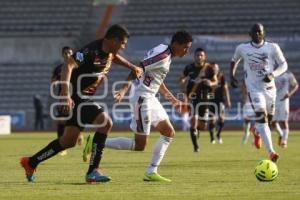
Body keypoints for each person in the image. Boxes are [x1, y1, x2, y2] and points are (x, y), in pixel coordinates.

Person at [20, 24, 143, 183]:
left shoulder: (109, 52)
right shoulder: (91, 51)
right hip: (75, 96)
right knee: (105, 122)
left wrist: (132, 66)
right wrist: (65, 93)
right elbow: (68, 64)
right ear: (113, 40)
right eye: (122, 43)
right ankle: (93, 171)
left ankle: (30, 162)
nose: (123, 47)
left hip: (83, 97)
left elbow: (114, 57)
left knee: (68, 141)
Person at [91, 30, 193, 182]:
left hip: (150, 97)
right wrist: (124, 89)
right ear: (176, 44)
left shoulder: (164, 51)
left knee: (168, 132)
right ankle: (98, 142)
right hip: (141, 98)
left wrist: (173, 100)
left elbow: (156, 80)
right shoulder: (163, 56)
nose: (187, 51)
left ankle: (151, 171)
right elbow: (138, 69)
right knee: (140, 145)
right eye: (185, 47)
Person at [230, 23, 288, 162]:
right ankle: (271, 152)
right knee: (261, 118)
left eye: (260, 32)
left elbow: (284, 65)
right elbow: (234, 60)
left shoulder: (273, 47)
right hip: (254, 89)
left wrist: (273, 75)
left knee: (268, 120)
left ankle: (256, 131)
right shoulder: (242, 48)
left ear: (264, 33)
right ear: (250, 34)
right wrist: (231, 76)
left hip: (270, 90)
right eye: (254, 32)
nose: (257, 34)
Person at [179, 48, 217, 152]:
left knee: (203, 126)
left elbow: (215, 82)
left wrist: (210, 83)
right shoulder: (189, 67)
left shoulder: (209, 68)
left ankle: (197, 132)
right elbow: (181, 78)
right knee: (193, 121)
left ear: (204, 57)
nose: (199, 57)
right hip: (193, 99)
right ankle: (196, 147)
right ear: (194, 56)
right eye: (197, 55)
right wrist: (183, 83)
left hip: (205, 100)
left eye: (201, 55)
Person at [51, 46, 84, 156]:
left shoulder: (76, 66)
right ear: (62, 55)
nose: (67, 55)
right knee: (60, 120)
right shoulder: (59, 68)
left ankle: (79, 134)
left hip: (75, 96)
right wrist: (55, 83)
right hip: (63, 97)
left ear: (72, 54)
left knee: (75, 120)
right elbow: (53, 80)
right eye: (65, 53)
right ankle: (62, 147)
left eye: (69, 53)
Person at [271, 70, 298, 148]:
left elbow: (295, 85)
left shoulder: (288, 74)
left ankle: (284, 141)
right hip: (273, 100)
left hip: (283, 100)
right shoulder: (272, 73)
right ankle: (281, 135)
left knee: (283, 121)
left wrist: (289, 94)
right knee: (273, 122)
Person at [207, 63, 231, 144]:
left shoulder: (221, 77)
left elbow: (225, 89)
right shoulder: (208, 77)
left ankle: (218, 134)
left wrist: (228, 100)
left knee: (221, 119)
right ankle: (212, 138)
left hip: (220, 101)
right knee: (212, 120)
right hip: (211, 101)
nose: (214, 69)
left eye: (216, 68)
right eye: (213, 68)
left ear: (218, 69)